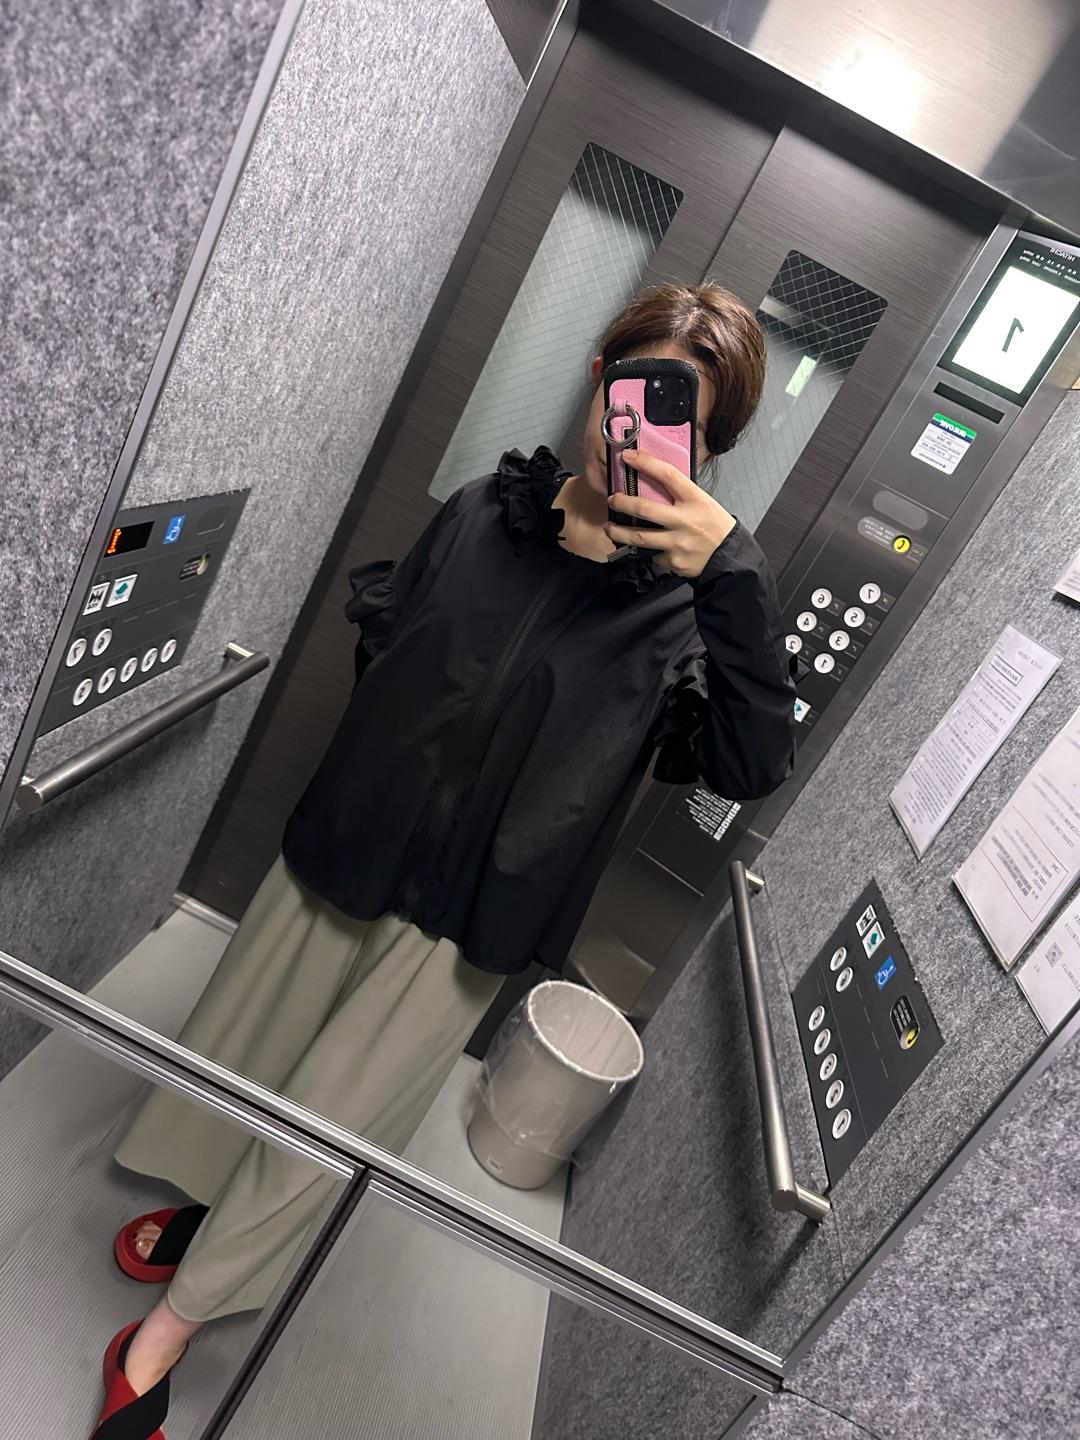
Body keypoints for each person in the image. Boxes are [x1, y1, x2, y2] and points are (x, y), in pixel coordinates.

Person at [91, 283, 796, 1438]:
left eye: (686, 424)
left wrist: (733, 575)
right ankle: (204, 1209)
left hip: (473, 913)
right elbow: (389, 643)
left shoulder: (685, 618)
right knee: (246, 1057)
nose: (637, 434)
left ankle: (171, 1325)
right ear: (598, 380)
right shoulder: (480, 512)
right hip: (347, 847)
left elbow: (749, 761)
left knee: (329, 1125)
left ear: (706, 453)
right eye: (633, 392)